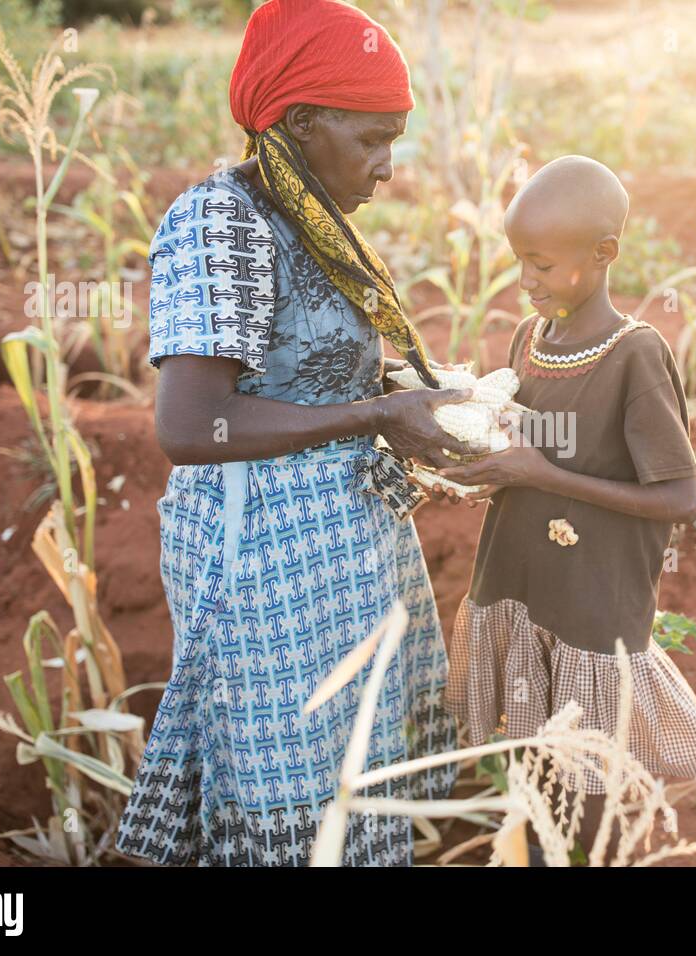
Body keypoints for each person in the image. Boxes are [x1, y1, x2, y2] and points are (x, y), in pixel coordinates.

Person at [114, 0, 479, 867]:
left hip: (340, 544)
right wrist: (379, 415)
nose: (387, 166)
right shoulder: (222, 224)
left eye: (395, 138)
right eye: (372, 138)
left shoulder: (311, 219)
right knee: (288, 789)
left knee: (346, 777)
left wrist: (407, 392)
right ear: (301, 122)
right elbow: (192, 422)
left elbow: (303, 371)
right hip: (264, 558)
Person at [436, 155, 696, 859]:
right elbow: (527, 458)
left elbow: (679, 496)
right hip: (519, 587)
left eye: (541, 265)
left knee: (585, 791)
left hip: (591, 606)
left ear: (603, 254)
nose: (526, 281)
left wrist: (543, 473)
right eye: (519, 262)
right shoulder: (530, 341)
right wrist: (483, 472)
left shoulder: (634, 356)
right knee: (532, 769)